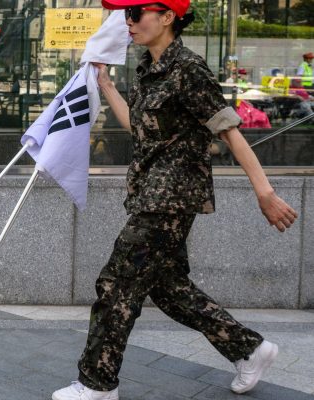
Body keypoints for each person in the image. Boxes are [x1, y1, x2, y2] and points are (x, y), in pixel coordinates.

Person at [52, 1, 299, 399]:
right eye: (125, 15)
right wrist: (108, 87)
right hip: (150, 192)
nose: (128, 22)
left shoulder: (188, 68)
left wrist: (265, 192)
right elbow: (139, 127)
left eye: (136, 12)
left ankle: (96, 385)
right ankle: (249, 349)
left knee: (116, 285)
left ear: (167, 16)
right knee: (167, 288)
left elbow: (229, 131)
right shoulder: (150, 69)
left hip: (170, 198)